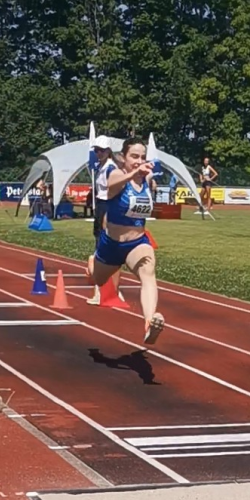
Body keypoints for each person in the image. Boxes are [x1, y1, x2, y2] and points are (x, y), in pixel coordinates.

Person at [87, 137, 165, 346]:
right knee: (98, 280)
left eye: (142, 157)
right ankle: (92, 264)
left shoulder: (146, 179)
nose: (139, 161)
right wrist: (134, 173)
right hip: (111, 245)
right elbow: (111, 185)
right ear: (123, 157)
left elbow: (152, 184)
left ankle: (150, 322)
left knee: (148, 272)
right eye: (134, 156)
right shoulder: (116, 173)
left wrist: (149, 177)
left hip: (136, 243)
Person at [87, 135, 123, 306]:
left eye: (101, 150)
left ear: (108, 151)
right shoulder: (100, 167)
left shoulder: (110, 169)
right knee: (100, 247)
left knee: (104, 248)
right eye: (96, 150)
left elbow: (115, 192)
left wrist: (109, 214)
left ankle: (105, 291)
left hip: (107, 207)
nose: (98, 153)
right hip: (101, 206)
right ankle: (106, 290)